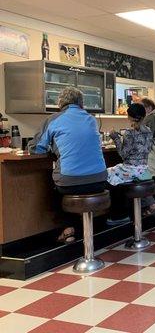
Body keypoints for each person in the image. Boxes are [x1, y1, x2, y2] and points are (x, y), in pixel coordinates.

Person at [28, 87, 107, 243]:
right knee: (69, 183)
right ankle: (91, 227)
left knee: (55, 188)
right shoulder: (91, 119)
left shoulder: (53, 119)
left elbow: (36, 148)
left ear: (60, 103)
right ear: (81, 103)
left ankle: (68, 228)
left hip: (71, 182)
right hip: (100, 180)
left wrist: (52, 147)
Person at [107, 103, 152, 186]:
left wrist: (115, 138)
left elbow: (123, 155)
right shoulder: (149, 131)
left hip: (131, 171)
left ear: (130, 116)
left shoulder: (129, 133)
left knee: (106, 173)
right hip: (145, 170)